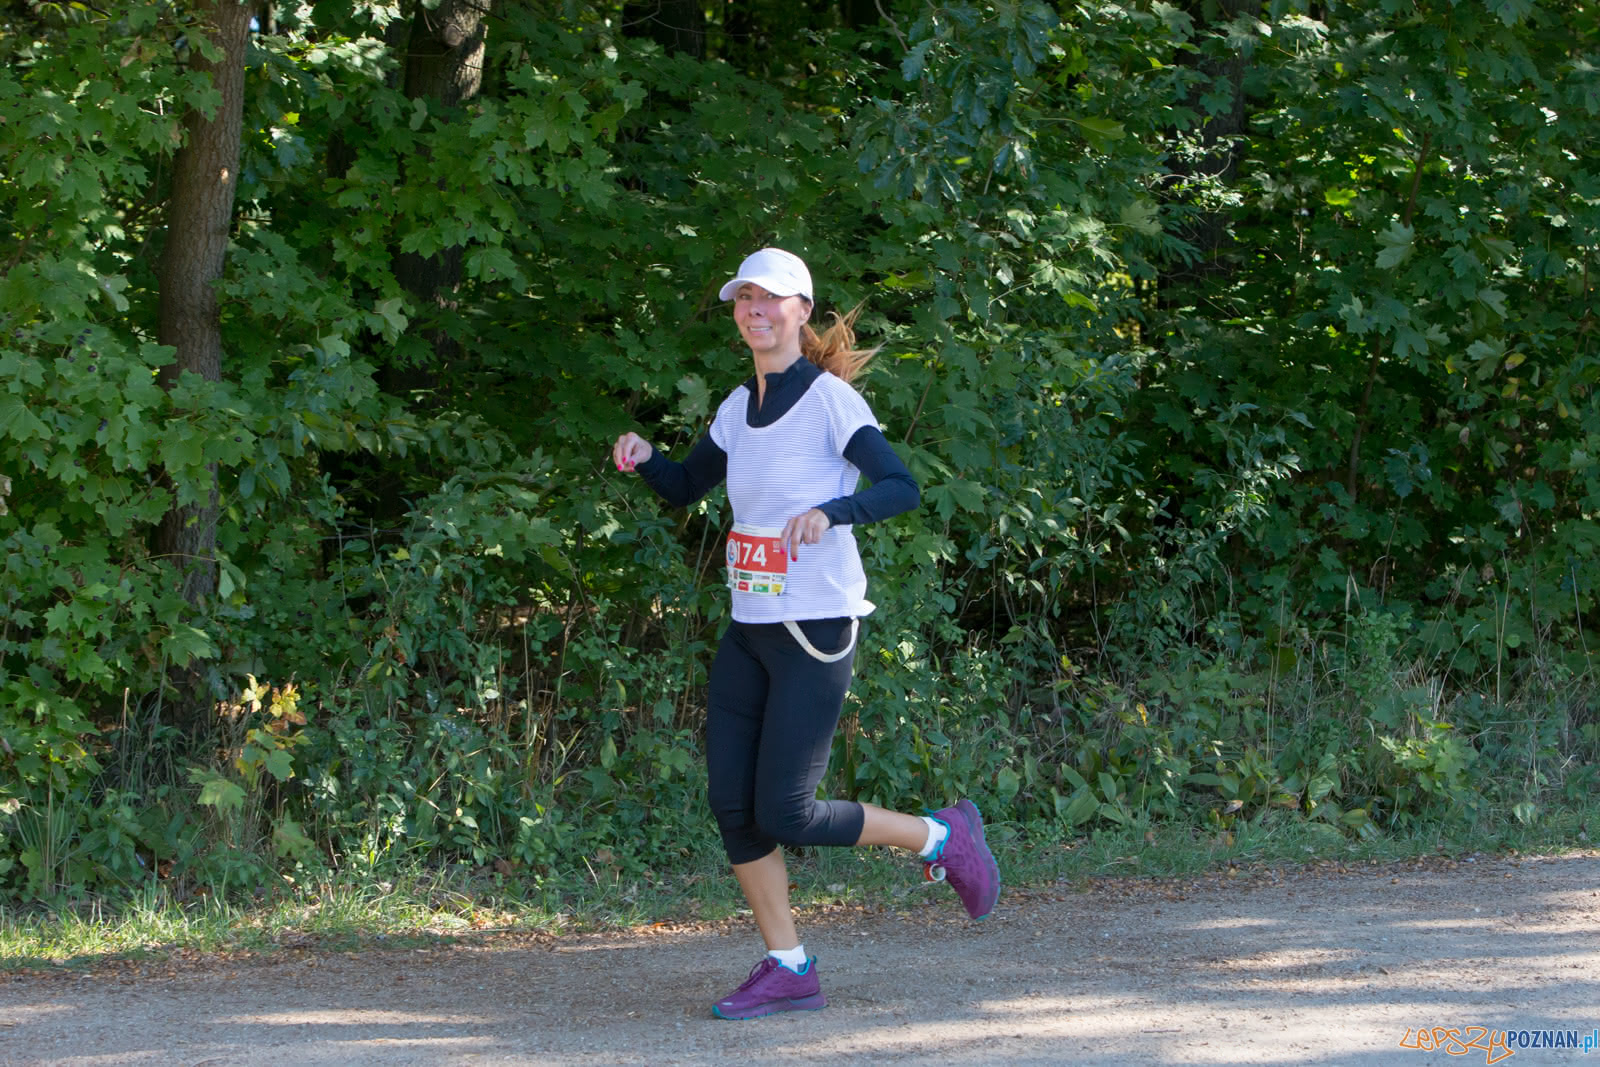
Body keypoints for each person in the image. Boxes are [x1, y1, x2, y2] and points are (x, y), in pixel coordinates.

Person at [611, 248, 1000, 1020]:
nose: (754, 310)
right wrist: (648, 458)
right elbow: (691, 485)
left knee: (785, 810)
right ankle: (789, 965)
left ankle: (940, 834)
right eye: (744, 299)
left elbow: (900, 485)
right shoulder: (736, 405)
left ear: (801, 311)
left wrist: (833, 511)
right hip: (749, 629)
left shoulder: (829, 403)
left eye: (770, 300)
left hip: (814, 629)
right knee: (733, 803)